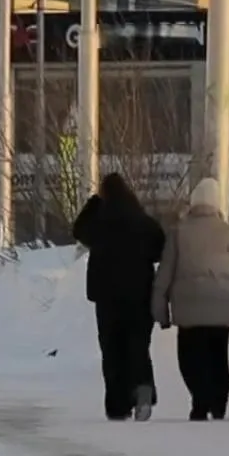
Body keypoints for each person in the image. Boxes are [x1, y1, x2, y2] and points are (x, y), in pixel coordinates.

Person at [152, 177, 229, 421]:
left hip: (188, 306)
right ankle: (218, 403)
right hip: (222, 304)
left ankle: (200, 400)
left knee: (190, 356)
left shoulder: (178, 232)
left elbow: (164, 273)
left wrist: (159, 310)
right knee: (218, 355)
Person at [72, 173, 165, 422]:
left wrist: (93, 203)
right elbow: (160, 248)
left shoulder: (99, 221)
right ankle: (143, 388)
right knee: (138, 346)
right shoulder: (143, 221)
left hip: (108, 297)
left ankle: (118, 405)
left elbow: (78, 230)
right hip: (140, 295)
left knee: (112, 350)